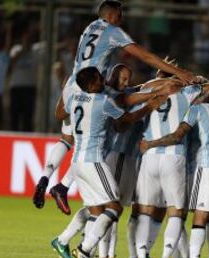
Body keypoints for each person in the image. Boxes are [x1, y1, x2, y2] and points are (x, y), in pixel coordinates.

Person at [33, 0, 197, 210]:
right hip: (92, 85)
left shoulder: (89, 28)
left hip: (75, 82)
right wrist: (178, 73)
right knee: (103, 131)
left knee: (67, 136)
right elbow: (144, 55)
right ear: (111, 15)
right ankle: (63, 186)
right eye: (120, 15)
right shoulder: (113, 31)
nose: (122, 19)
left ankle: (46, 177)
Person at [57, 66, 167, 258]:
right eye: (99, 79)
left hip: (76, 160)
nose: (103, 81)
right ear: (91, 84)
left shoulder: (75, 99)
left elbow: (61, 112)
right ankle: (85, 249)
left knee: (97, 210)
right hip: (94, 160)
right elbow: (124, 121)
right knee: (114, 207)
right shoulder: (102, 101)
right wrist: (150, 105)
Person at [134, 75, 209, 258]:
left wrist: (159, 83)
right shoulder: (186, 94)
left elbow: (143, 88)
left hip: (149, 157)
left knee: (145, 211)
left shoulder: (150, 91)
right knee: (176, 211)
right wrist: (196, 82)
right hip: (174, 157)